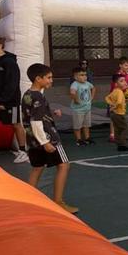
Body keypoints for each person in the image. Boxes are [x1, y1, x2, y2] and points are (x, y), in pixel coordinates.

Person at [21, 63, 78, 214]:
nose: (51, 80)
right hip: (48, 138)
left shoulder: (28, 94)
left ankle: (28, 199)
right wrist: (45, 142)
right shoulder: (38, 97)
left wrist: (51, 111)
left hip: (32, 139)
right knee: (64, 165)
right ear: (38, 78)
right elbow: (36, 121)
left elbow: (33, 114)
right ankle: (58, 202)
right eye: (48, 78)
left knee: (37, 167)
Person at [0, 35, 28, 163]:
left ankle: (23, 151)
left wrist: (3, 101)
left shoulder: (10, 62)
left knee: (15, 124)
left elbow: (12, 84)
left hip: (10, 102)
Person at [69, 66, 95, 146]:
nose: (84, 77)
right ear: (75, 77)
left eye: (85, 75)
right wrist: (76, 100)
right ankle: (78, 139)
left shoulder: (87, 83)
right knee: (78, 125)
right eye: (81, 75)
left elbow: (93, 88)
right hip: (78, 110)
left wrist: (92, 97)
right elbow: (72, 92)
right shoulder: (75, 84)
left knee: (86, 124)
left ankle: (87, 138)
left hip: (87, 108)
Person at [108, 56, 128, 143]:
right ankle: (112, 135)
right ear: (120, 65)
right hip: (115, 97)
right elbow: (115, 87)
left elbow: (127, 85)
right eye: (126, 65)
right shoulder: (117, 76)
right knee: (114, 117)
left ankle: (121, 134)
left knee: (121, 116)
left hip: (122, 97)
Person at [106, 74, 128, 152]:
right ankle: (122, 144)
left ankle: (119, 144)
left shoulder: (115, 91)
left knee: (117, 129)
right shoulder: (120, 92)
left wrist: (111, 104)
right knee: (125, 129)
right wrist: (115, 106)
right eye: (121, 81)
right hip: (119, 114)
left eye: (125, 81)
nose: (124, 82)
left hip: (113, 114)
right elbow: (119, 102)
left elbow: (106, 98)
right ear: (116, 84)